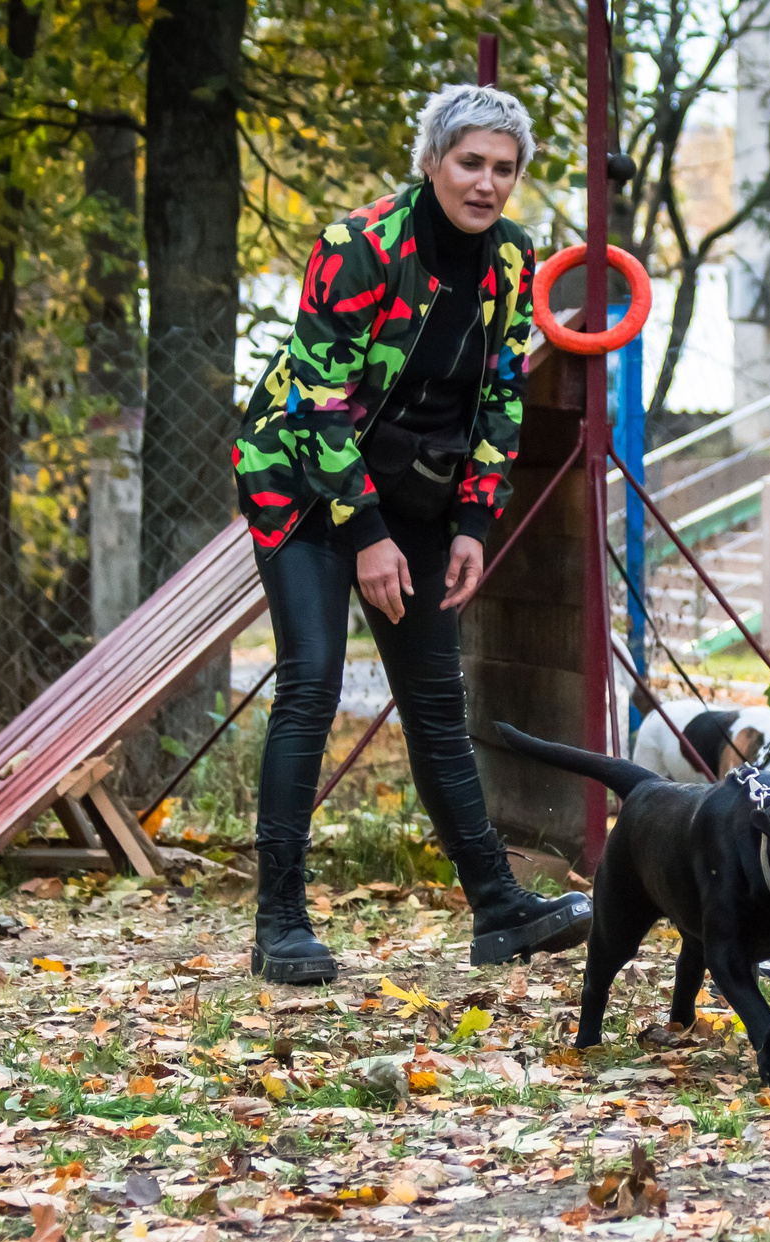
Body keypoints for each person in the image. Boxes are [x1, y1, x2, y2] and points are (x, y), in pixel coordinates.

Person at [231, 84, 593, 982]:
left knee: (435, 702)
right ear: (432, 161)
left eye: (504, 170)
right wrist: (363, 533)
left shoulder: (513, 259)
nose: (487, 184)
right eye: (470, 162)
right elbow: (319, 400)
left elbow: (502, 393)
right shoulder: (357, 248)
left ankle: (499, 909)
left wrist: (474, 519)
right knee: (311, 679)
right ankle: (279, 924)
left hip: (416, 493)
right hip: (306, 484)